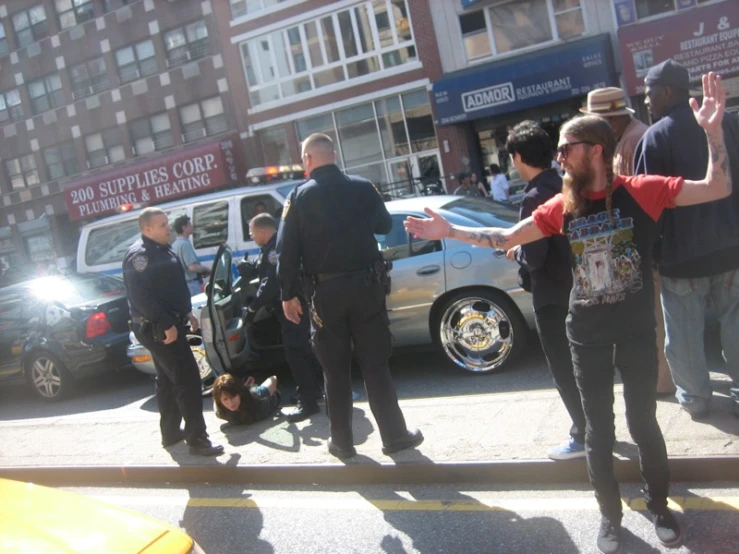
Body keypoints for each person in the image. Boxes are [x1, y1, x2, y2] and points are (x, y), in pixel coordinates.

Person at [405, 72, 730, 554]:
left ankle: (658, 506)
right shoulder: (562, 206)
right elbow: (507, 239)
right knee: (599, 430)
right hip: (587, 334)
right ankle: (610, 518)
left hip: (638, 330)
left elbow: (717, 187)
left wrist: (713, 129)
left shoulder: (642, 190)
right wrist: (450, 231)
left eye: (565, 148)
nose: (558, 158)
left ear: (595, 149)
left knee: (644, 424)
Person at [277, 132, 423, 460]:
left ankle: (342, 442)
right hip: (366, 288)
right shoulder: (362, 187)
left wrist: (288, 294)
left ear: (309, 160)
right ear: (334, 155)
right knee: (375, 364)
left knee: (334, 369)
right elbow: (385, 225)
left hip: (325, 294)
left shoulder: (298, 196)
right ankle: (395, 437)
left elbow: (286, 250)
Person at [635, 59, 739, 418]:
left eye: (649, 93)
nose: (645, 101)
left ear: (667, 92)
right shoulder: (727, 122)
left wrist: (648, 253)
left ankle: (695, 399)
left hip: (681, 260)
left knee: (684, 338)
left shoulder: (655, 137)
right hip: (731, 250)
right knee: (736, 325)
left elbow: (647, 207)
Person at [581, 87, 674, 394]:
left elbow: (638, 199)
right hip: (639, 248)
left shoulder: (633, 140)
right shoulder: (628, 137)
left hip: (644, 249)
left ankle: (661, 383)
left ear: (610, 120)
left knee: (652, 319)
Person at [505, 121, 585, 461]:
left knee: (564, 370)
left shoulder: (535, 196)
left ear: (519, 156)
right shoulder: (564, 184)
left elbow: (534, 257)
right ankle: (598, 429)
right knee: (586, 366)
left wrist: (516, 251)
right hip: (580, 288)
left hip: (552, 296)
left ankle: (582, 434)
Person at [123, 207, 224, 457]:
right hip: (157, 326)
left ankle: (170, 433)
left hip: (169, 321)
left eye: (167, 223)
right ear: (147, 229)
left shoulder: (161, 248)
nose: (168, 228)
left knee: (168, 379)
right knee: (187, 378)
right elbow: (141, 296)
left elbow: (170, 288)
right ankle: (197, 439)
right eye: (162, 225)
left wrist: (186, 312)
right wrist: (166, 323)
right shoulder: (140, 256)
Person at [244, 213, 324, 423]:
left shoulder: (274, 251)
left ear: (262, 231)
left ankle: (308, 404)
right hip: (299, 306)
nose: (251, 236)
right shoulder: (277, 246)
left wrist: (252, 308)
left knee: (296, 354)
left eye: (252, 232)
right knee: (306, 351)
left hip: (292, 309)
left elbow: (270, 284)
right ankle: (313, 392)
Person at [213, 373, 281, 426]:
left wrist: (246, 389)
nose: (230, 403)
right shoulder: (220, 412)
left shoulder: (257, 397)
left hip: (271, 398)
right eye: (225, 399)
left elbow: (274, 378)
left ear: (240, 394)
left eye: (233, 397)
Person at [171, 215, 210, 297]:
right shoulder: (185, 244)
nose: (192, 226)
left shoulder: (175, 244)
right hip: (192, 284)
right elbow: (192, 267)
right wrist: (207, 269)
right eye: (189, 224)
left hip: (184, 284)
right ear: (184, 227)